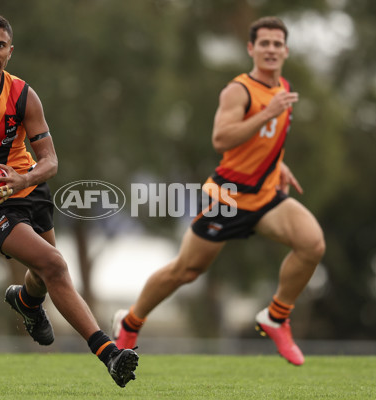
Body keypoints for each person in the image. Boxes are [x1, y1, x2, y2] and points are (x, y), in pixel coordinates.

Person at [0, 12, 138, 387]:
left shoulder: (23, 95)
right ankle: (109, 353)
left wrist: (25, 177)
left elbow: (50, 160)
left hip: (30, 188)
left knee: (44, 272)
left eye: (0, 46)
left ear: (10, 51)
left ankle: (27, 303)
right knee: (54, 264)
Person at [112, 16, 325, 366]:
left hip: (266, 195)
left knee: (312, 243)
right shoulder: (238, 91)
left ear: (285, 50)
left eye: (277, 44)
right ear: (251, 49)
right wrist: (266, 113)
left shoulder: (281, 87)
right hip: (227, 197)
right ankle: (130, 322)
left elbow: (266, 139)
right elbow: (221, 139)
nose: (271, 49)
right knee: (185, 271)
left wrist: (277, 164)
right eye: (264, 43)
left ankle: (275, 317)